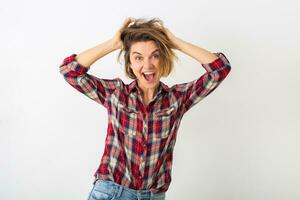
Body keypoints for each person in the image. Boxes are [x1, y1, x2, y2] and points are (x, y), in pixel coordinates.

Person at [59, 17, 231, 200]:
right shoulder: (115, 93)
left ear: (163, 59)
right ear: (130, 64)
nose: (148, 65)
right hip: (111, 193)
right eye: (138, 57)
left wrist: (175, 43)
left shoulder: (177, 99)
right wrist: (113, 44)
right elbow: (69, 71)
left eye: (155, 56)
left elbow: (220, 69)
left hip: (153, 196)